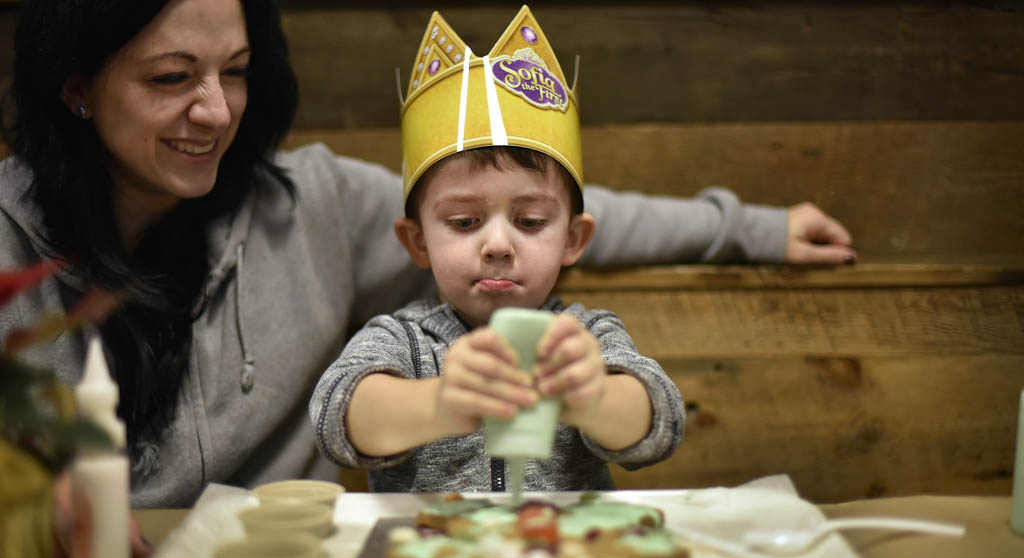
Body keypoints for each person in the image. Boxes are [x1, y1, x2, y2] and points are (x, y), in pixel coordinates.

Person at [0, 0, 852, 513]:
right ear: (74, 84)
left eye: (238, 70)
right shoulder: (407, 337)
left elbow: (549, 209)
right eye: (170, 78)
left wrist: (754, 228)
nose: (217, 112)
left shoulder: (314, 203)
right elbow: (349, 409)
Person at [309, 7, 684, 492]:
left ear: (572, 239)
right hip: (430, 554)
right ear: (417, 241)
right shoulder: (402, 341)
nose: (499, 245)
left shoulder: (585, 337)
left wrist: (591, 398)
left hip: (559, 555)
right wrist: (440, 403)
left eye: (530, 222)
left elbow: (660, 423)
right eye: (465, 222)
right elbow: (336, 419)